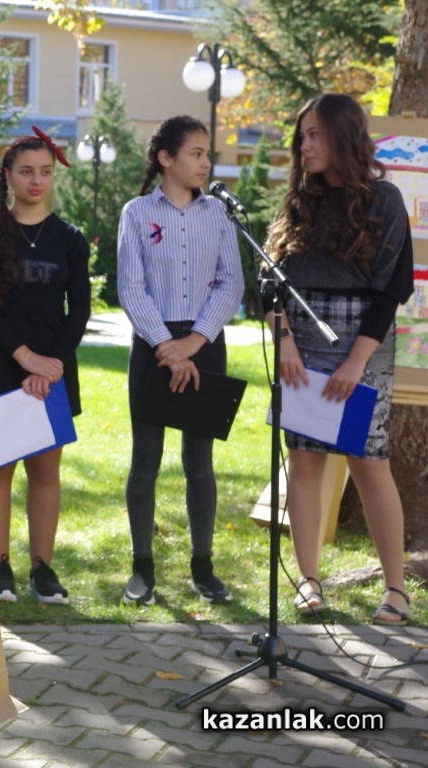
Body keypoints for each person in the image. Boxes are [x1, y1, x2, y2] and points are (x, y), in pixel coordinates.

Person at [264, 94, 413, 625]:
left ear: (343, 136)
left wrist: (355, 362)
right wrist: (284, 341)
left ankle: (396, 590)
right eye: (301, 136)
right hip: (299, 348)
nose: (304, 145)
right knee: (304, 462)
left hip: (362, 346)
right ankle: (309, 581)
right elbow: (269, 284)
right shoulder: (297, 204)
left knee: (368, 464)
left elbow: (392, 289)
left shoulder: (384, 200)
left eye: (315, 135)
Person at [116, 115, 244, 606]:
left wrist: (194, 342)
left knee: (199, 462)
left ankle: (203, 568)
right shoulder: (136, 213)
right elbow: (131, 287)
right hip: (154, 344)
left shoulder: (219, 213)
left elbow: (231, 283)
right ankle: (142, 569)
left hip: (204, 342)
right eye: (196, 153)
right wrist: (165, 347)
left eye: (207, 154)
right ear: (166, 158)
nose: (205, 162)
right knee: (146, 460)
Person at [0, 129, 91, 604]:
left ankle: (42, 569)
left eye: (45, 172)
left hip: (52, 368)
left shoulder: (69, 239)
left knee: (45, 470)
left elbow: (79, 310)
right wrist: (25, 358)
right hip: (1, 361)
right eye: (26, 172)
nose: (37, 180)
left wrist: (49, 365)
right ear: (9, 176)